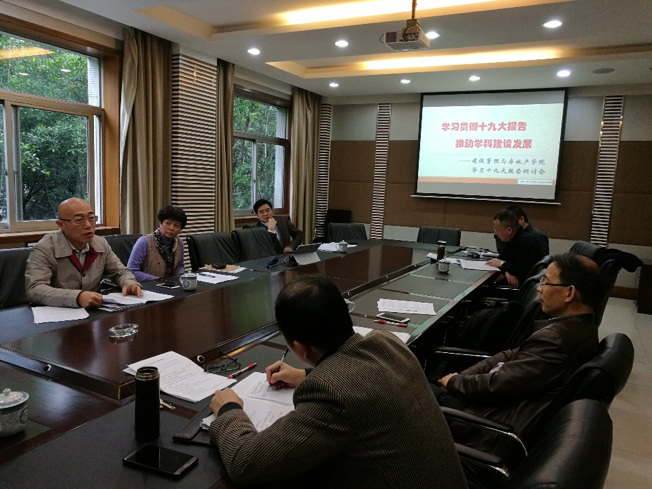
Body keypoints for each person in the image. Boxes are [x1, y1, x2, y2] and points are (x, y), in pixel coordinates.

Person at [208, 276, 467, 489]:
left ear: (300, 348)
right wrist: (303, 375)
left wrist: (229, 410)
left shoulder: (332, 395)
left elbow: (245, 464)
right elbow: (365, 380)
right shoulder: (385, 341)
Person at [433, 253, 605, 451]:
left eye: (546, 282)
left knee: (410, 387)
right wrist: (461, 377)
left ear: (569, 293)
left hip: (484, 422)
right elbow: (509, 355)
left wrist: (455, 382)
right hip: (492, 405)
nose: (539, 288)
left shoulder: (557, 340)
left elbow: (497, 386)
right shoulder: (579, 327)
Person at [25, 198, 141, 308]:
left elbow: (120, 272)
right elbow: (35, 289)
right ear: (61, 225)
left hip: (94, 310)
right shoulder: (45, 248)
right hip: (58, 313)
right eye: (79, 220)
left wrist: (129, 283)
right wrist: (77, 297)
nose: (88, 225)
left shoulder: (100, 243)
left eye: (91, 218)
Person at [127, 205, 187, 282]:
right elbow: (132, 271)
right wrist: (158, 280)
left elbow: (180, 266)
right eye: (168, 223)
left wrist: (180, 277)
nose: (171, 228)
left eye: (176, 225)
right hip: (149, 286)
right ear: (160, 223)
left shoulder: (179, 243)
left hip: (172, 285)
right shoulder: (144, 242)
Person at [486, 209, 544, 286]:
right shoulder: (510, 239)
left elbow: (522, 271)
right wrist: (506, 271)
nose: (495, 233)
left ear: (509, 230)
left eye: (497, 229)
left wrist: (502, 264)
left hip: (524, 285)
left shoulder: (527, 242)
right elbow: (503, 259)